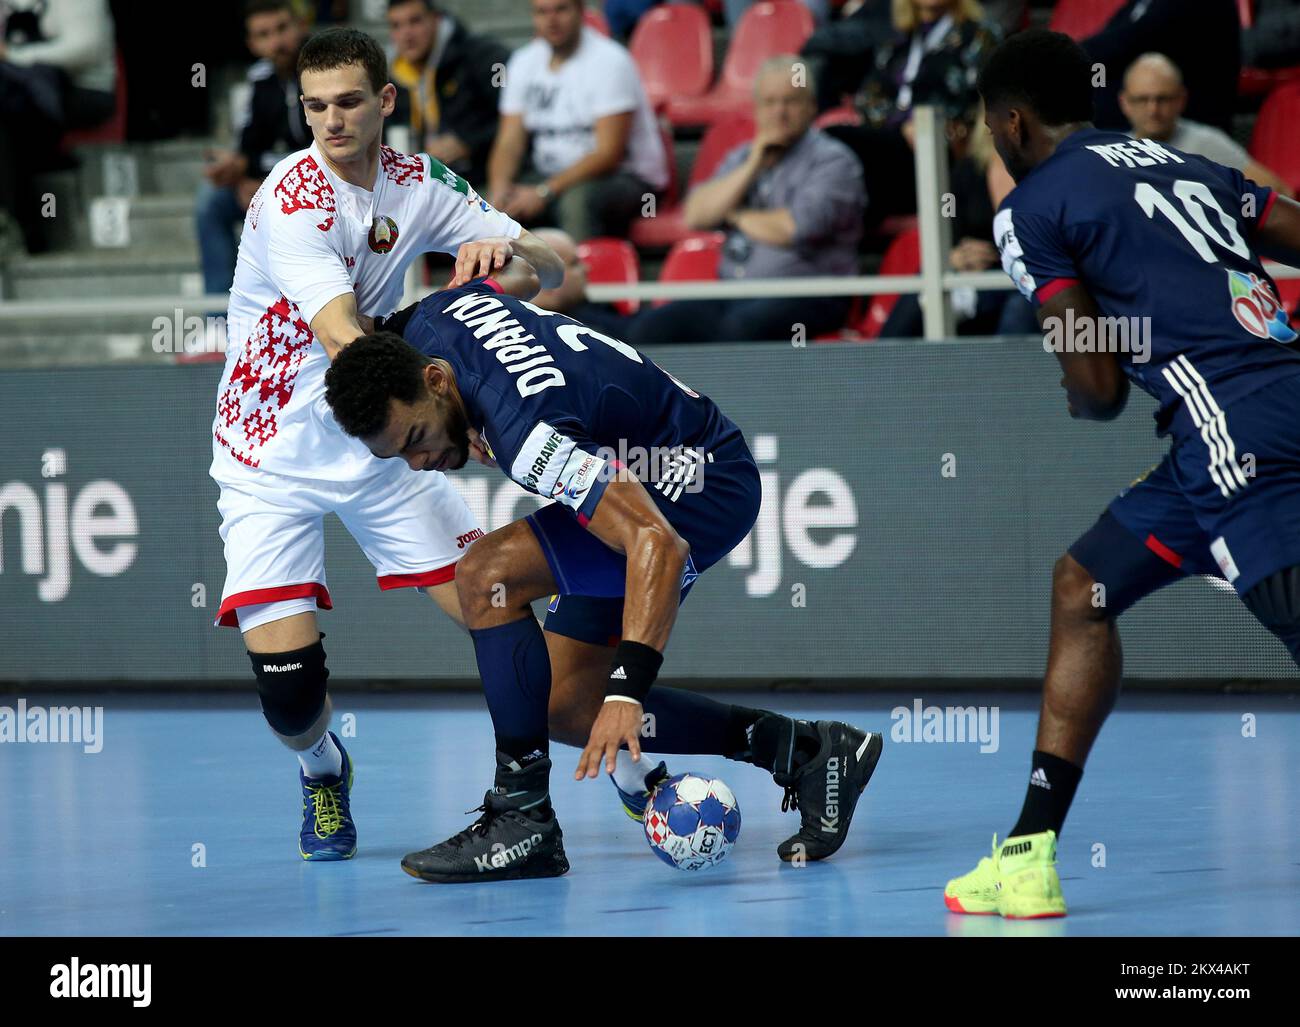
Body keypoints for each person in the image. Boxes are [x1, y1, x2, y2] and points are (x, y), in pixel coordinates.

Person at [322, 262, 885, 883]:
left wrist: (627, 691)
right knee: (565, 706)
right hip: (648, 469)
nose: (420, 463)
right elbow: (539, 270)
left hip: (697, 484)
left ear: (436, 380)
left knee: (486, 576)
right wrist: (517, 247)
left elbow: (656, 543)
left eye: (418, 438)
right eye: (398, 453)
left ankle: (522, 817)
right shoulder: (430, 318)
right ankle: (810, 751)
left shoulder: (529, 434)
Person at [944, 28, 1300, 919]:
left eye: (992, 132)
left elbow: (1097, 387)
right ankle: (1027, 853)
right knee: (1084, 585)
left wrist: (1080, 387)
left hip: (1231, 427)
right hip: (1235, 422)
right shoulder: (1184, 164)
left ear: (1013, 122)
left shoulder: (1031, 208)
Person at [209, 26, 562, 862]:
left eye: (349, 103)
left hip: (382, 452)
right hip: (269, 454)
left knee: (501, 601)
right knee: (292, 701)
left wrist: (504, 255)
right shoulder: (290, 201)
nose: (331, 121)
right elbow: (349, 346)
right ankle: (324, 770)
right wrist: (455, 408)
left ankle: (571, 792)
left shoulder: (416, 182)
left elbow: (554, 268)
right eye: (315, 107)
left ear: (386, 101)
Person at [630, 56, 864, 345]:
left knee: (738, 329)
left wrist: (735, 214)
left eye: (791, 101)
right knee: (651, 328)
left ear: (812, 106)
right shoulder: (742, 157)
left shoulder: (834, 161)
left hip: (810, 293)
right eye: (770, 102)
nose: (780, 112)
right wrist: (754, 164)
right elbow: (696, 214)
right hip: (734, 292)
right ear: (757, 110)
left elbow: (793, 229)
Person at [487, 0, 669, 241]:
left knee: (576, 203)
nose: (551, 20)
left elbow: (608, 154)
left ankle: (584, 276)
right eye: (542, 12)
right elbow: (509, 140)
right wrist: (499, 189)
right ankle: (489, 279)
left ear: (581, 11)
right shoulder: (523, 61)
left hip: (628, 177)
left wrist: (544, 192)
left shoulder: (611, 61)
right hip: (554, 175)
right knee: (481, 205)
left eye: (560, 9)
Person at [828, 0, 1000, 229]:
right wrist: (905, 126)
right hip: (895, 141)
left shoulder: (979, 34)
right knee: (832, 143)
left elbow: (983, 101)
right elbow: (868, 99)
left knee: (839, 137)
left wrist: (932, 126)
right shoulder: (898, 38)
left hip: (946, 146)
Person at [197, 0, 311, 299]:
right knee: (211, 201)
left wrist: (263, 181)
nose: (276, 42)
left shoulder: (323, 68)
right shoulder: (259, 79)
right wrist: (240, 174)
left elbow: (322, 148)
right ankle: (219, 318)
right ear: (251, 44)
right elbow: (251, 144)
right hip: (272, 182)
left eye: (282, 29)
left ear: (300, 26)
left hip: (319, 183)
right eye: (264, 35)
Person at [0, 0, 116, 254]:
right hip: (21, 92)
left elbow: (86, 49)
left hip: (82, 89)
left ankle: (18, 229)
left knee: (10, 124)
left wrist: (14, 57)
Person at [1120, 53, 1294, 199]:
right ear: (1125, 103)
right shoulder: (1114, 150)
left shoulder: (1206, 143)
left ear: (1181, 99)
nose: (1153, 109)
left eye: (1163, 99)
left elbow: (1279, 194)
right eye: (1142, 100)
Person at [385, 0, 508, 186]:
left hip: (484, 181)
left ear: (436, 19)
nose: (406, 34)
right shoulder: (389, 78)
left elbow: (518, 121)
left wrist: (467, 143)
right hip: (421, 186)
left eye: (415, 21)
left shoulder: (485, 57)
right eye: (396, 25)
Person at [1082, 0, 1240, 134]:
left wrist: (1065, 61)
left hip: (1186, 123)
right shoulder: (1143, 3)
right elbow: (1106, 41)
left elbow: (1126, 43)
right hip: (1133, 109)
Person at [529, 226, 633, 338]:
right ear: (546, 278)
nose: (586, 268)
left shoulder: (599, 315)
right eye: (575, 263)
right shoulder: (594, 332)